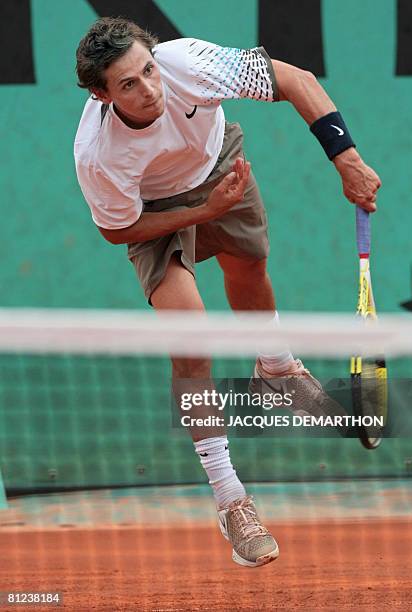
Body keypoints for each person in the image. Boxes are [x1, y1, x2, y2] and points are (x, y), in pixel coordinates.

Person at [74, 16, 381, 568]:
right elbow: (117, 229)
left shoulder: (188, 63)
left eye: (148, 71)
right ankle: (231, 498)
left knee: (249, 269)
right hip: (154, 209)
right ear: (101, 94)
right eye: (128, 85)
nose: (150, 90)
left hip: (217, 166)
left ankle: (277, 369)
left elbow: (297, 80)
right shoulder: (99, 154)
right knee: (190, 336)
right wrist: (201, 213)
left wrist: (347, 158)